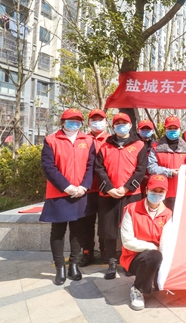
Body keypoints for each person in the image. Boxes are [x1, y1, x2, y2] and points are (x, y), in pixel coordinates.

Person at [40, 108, 95, 285]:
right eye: (71, 120)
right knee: (58, 231)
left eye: (78, 121)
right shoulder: (51, 140)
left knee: (77, 231)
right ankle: (59, 267)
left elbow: (91, 166)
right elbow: (49, 167)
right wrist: (67, 187)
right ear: (62, 122)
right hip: (59, 193)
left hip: (80, 192)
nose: (74, 124)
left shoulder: (88, 140)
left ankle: (74, 264)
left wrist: (84, 186)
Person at [95, 112, 148, 280]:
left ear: (130, 125)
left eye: (124, 123)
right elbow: (99, 169)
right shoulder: (105, 145)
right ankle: (111, 262)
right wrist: (109, 188)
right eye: (117, 124)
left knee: (131, 230)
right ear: (113, 127)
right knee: (109, 230)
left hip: (131, 194)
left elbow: (141, 170)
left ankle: (129, 262)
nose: (121, 126)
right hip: (108, 195)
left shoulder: (139, 145)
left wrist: (126, 188)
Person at [120, 174, 173, 311]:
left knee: (159, 256)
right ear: (147, 190)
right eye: (154, 190)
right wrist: (152, 247)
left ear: (166, 193)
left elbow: (166, 244)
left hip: (158, 255)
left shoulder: (168, 214)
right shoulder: (131, 209)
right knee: (154, 256)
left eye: (161, 191)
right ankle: (137, 289)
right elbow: (127, 241)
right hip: (133, 257)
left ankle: (155, 276)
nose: (157, 194)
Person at [79, 108, 110, 267]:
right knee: (86, 223)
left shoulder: (112, 140)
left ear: (106, 122)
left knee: (105, 222)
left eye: (100, 120)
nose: (97, 123)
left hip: (107, 189)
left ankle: (105, 250)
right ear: (88, 122)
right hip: (87, 189)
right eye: (94, 120)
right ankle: (87, 251)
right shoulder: (82, 140)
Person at [147, 116, 186, 211]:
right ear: (165, 129)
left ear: (180, 129)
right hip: (161, 193)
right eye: (170, 128)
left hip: (181, 193)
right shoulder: (156, 148)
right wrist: (169, 172)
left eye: (175, 128)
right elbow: (151, 167)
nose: (172, 130)